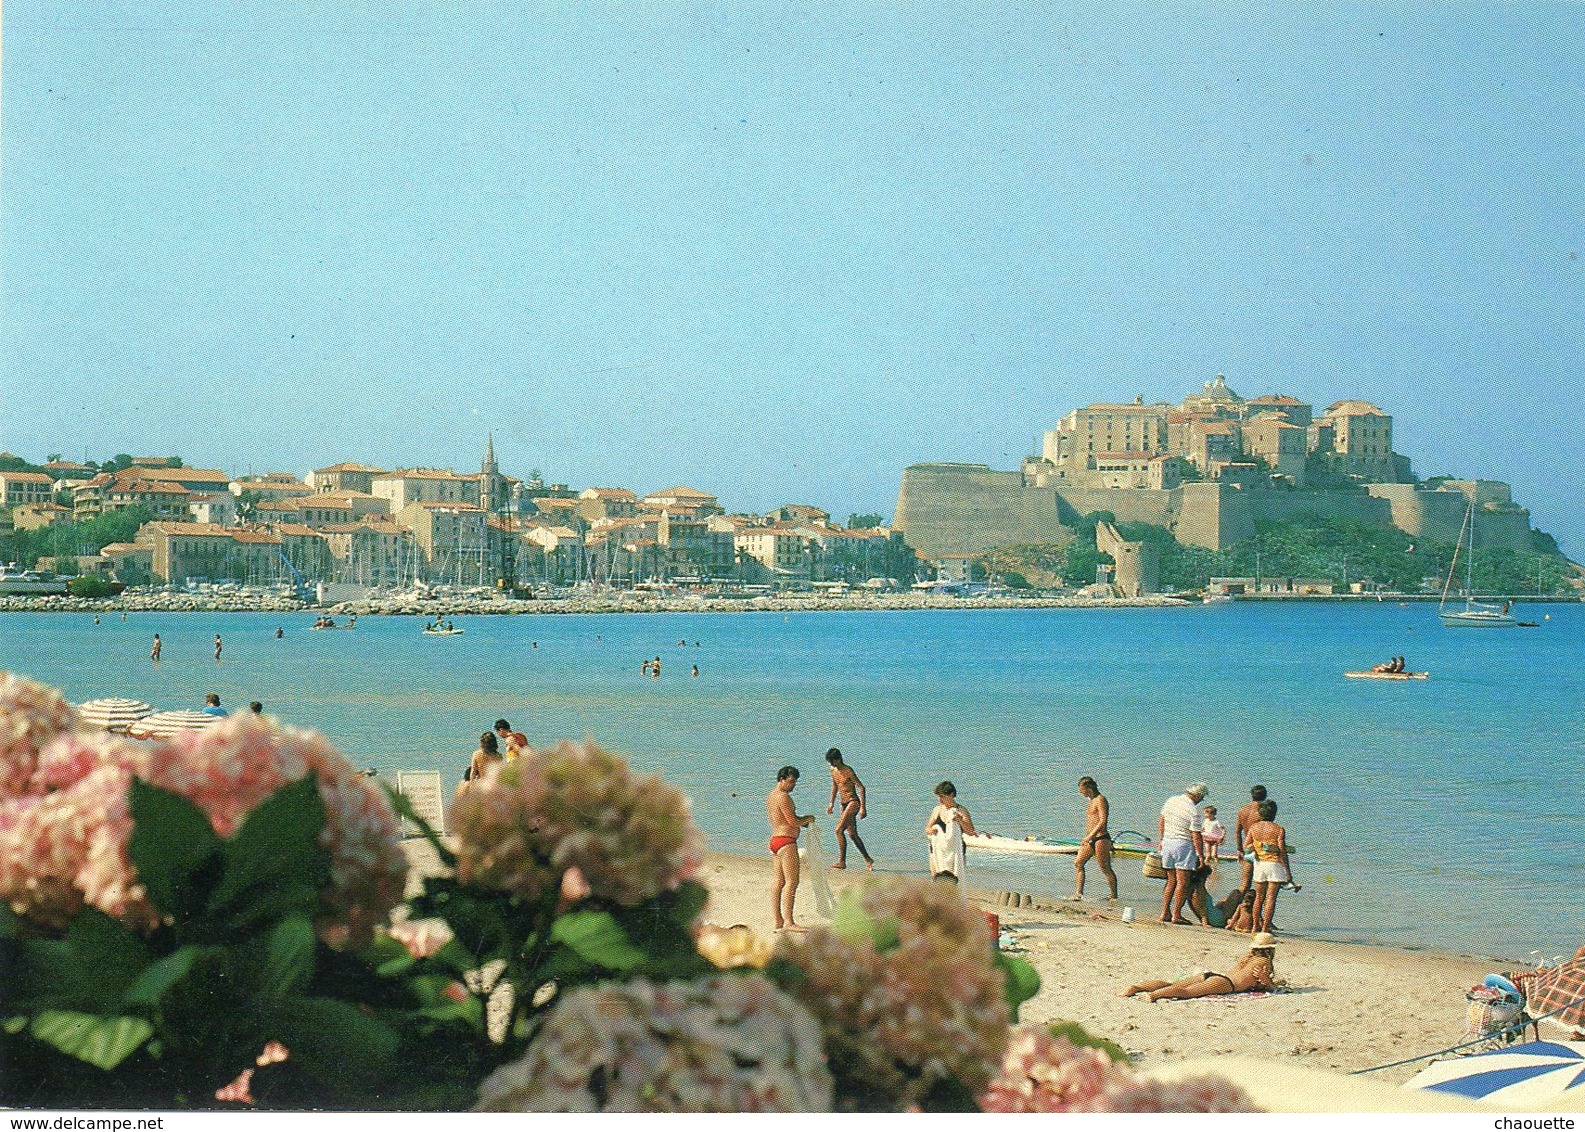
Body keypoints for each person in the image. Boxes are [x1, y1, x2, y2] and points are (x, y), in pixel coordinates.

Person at [1122, 933, 1279, 1001]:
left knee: (1173, 984)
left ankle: (1136, 987)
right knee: (1187, 992)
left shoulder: (1248, 958)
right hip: (1226, 984)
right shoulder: (1265, 963)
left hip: (1213, 976)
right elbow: (1263, 984)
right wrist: (1267, 981)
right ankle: (1153, 995)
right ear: (1270, 949)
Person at [767, 766, 816, 931]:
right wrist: (807, 819)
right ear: (781, 779)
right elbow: (793, 821)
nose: (793, 785)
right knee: (792, 881)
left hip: (775, 840)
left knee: (779, 882)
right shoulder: (783, 797)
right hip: (786, 841)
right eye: (791, 781)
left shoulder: (771, 796)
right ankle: (789, 922)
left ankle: (778, 920)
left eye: (795, 781)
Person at [1246, 799, 1300, 933]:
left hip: (1260, 865)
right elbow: (1282, 851)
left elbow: (1246, 846)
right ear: (1274, 813)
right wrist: (1288, 872)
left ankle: (1254, 927)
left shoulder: (1254, 828)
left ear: (1260, 813)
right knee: (1270, 898)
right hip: (1275, 864)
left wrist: (1257, 849)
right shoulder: (1279, 829)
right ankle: (1265, 928)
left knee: (1259, 897)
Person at [1158, 783, 1208, 924]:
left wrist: (1161, 839)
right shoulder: (1194, 811)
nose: (1201, 800)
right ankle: (1176, 914)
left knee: (1171, 881)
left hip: (1168, 843)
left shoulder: (1171, 800)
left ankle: (1164, 912)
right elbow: (1196, 836)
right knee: (1182, 882)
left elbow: (1162, 820)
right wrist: (1201, 855)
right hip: (1183, 845)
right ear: (1197, 795)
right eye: (1202, 797)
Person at [824, 748, 873, 871]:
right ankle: (868, 859)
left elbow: (861, 787)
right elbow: (835, 785)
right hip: (843, 804)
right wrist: (831, 803)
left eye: (833, 761)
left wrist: (863, 807)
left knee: (838, 830)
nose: (832, 764)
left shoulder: (848, 771)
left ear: (838, 759)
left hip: (853, 802)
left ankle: (842, 861)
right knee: (852, 834)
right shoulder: (833, 770)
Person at [1071, 776, 1118, 901]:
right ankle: (1079, 894)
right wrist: (1086, 837)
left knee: (1105, 867)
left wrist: (1090, 836)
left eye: (1082, 789)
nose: (1080, 792)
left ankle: (1114, 896)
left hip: (1101, 838)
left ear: (1089, 788)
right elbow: (1091, 821)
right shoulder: (1090, 801)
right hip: (1090, 838)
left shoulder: (1100, 799)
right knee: (1078, 863)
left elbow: (1103, 821)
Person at [925, 781, 975, 883]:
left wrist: (960, 820)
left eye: (942, 796)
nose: (940, 800)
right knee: (936, 878)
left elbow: (970, 831)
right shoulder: (937, 810)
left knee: (955, 880)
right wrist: (933, 830)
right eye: (938, 796)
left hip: (955, 850)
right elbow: (927, 829)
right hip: (937, 850)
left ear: (951, 795)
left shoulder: (961, 810)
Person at [1235, 785, 1268, 893]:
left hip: (1247, 848)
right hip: (1260, 850)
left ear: (1251, 795)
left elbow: (1238, 831)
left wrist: (1239, 850)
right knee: (1263, 887)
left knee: (1245, 885)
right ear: (1265, 796)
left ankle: (1235, 908)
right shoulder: (1263, 812)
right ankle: (1257, 909)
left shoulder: (1242, 810)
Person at [458, 731, 503, 798]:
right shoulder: (498, 757)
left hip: (481, 785)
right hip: (494, 787)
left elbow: (473, 772)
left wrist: (471, 786)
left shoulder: (476, 754)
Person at [1201, 805, 1226, 869]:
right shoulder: (1206, 820)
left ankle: (1216, 867)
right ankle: (1205, 866)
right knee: (1208, 855)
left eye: (1206, 814)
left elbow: (1223, 829)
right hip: (1207, 839)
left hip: (1215, 840)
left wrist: (1222, 836)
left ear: (1212, 814)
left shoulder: (1216, 821)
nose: (1205, 815)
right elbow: (1202, 829)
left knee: (1214, 855)